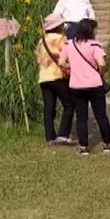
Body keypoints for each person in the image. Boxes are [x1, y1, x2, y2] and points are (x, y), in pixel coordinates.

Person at [57, 18, 110, 155]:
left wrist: (72, 66)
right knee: (101, 115)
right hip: (95, 84)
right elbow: (102, 64)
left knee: (81, 116)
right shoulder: (94, 45)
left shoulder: (69, 44)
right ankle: (107, 143)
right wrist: (101, 73)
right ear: (90, 31)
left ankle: (83, 146)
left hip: (76, 85)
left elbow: (61, 62)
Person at [36, 13, 74, 146]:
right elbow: (67, 56)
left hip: (43, 77)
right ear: (58, 26)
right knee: (69, 104)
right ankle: (63, 134)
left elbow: (38, 59)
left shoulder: (42, 40)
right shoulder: (62, 39)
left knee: (48, 107)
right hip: (58, 75)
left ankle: (49, 136)